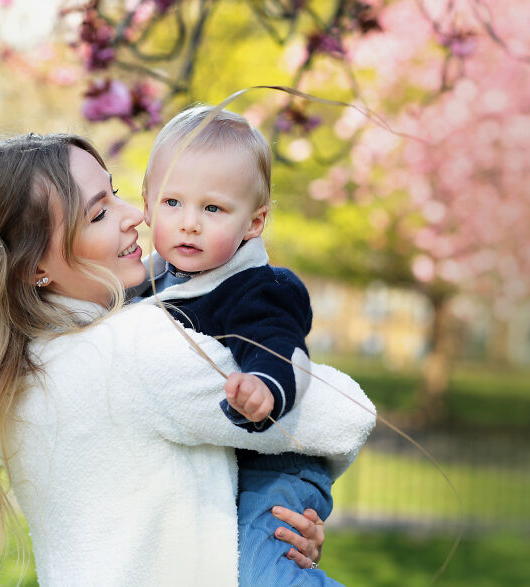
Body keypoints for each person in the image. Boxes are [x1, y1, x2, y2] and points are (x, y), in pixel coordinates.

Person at [0, 132, 376, 585]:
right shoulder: (133, 347)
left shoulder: (25, 361)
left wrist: (259, 535)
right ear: (34, 266)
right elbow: (344, 415)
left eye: (116, 194)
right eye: (99, 213)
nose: (137, 214)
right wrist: (273, 532)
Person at [138, 104, 370, 585]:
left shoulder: (256, 288)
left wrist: (264, 386)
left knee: (265, 575)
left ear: (255, 222)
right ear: (146, 204)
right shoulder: (149, 284)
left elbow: (280, 346)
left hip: (275, 469)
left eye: (213, 208)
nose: (189, 223)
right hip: (220, 470)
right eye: (172, 202)